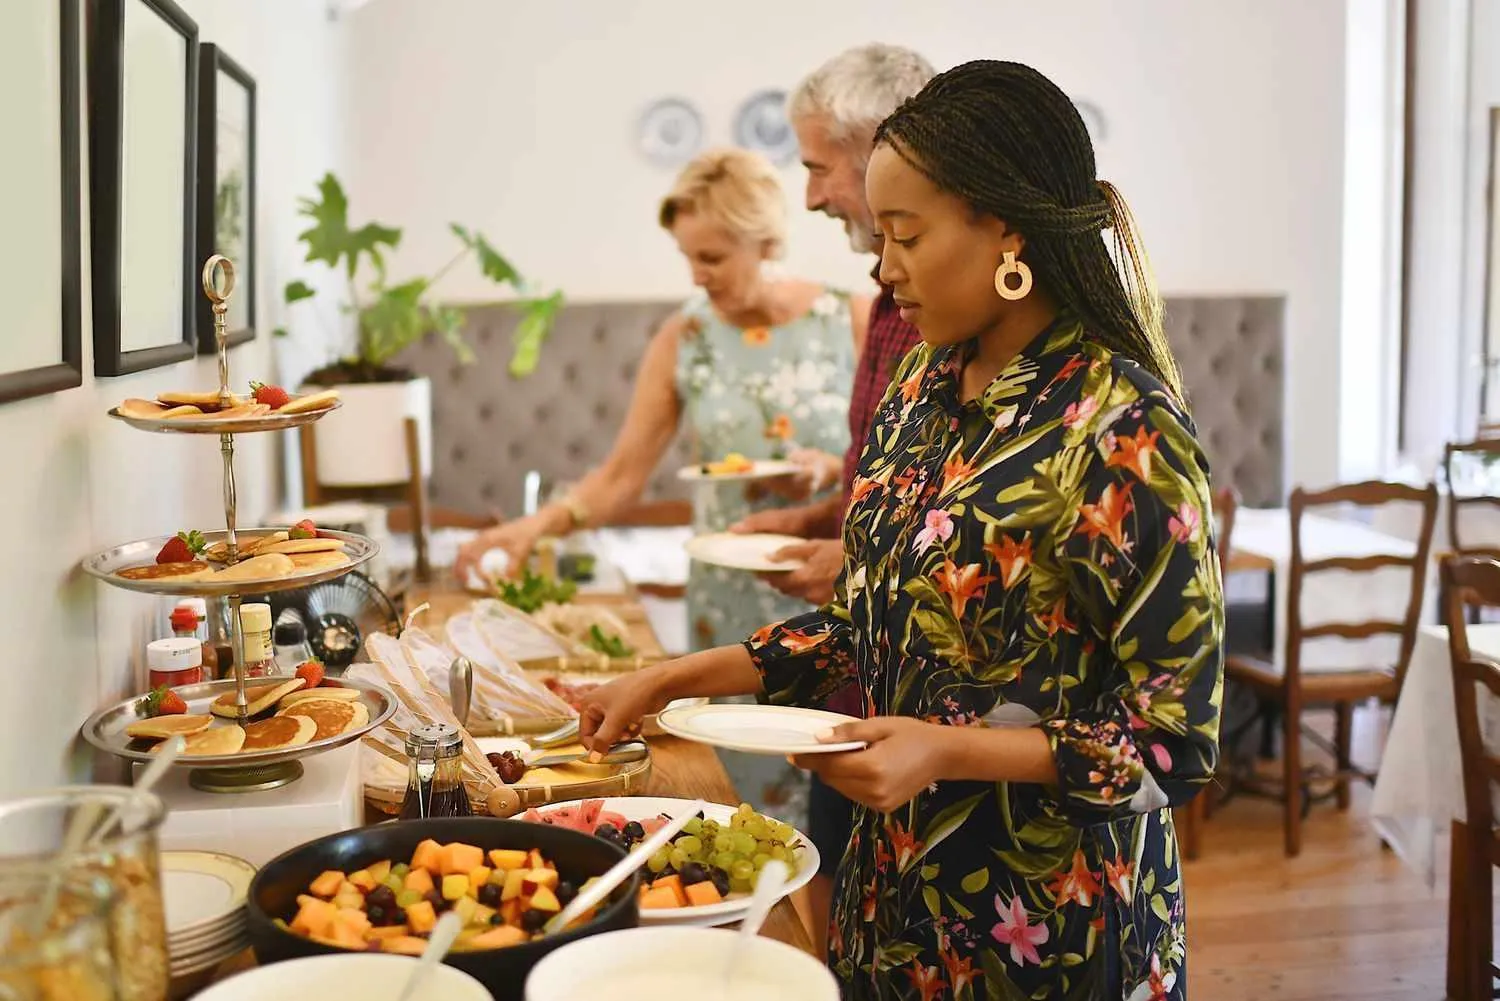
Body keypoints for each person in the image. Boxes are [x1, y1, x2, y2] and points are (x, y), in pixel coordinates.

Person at [576, 60, 1224, 1000]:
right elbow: (873, 619)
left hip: (1050, 927)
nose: (885, 267)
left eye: (907, 235)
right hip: (896, 900)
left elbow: (1175, 744)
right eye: (880, 235)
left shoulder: (1120, 428)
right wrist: (684, 675)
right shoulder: (923, 383)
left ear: (1005, 229)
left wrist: (948, 748)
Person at [454, 147, 866, 660]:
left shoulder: (853, 319)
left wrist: (831, 470)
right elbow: (622, 476)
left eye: (711, 258)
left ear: (766, 243)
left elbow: (900, 461)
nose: (696, 276)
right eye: (687, 257)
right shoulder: (685, 335)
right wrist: (527, 531)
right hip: (725, 595)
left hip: (834, 582)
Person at [730, 42, 934, 959]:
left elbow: (954, 527)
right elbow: (883, 480)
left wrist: (853, 557)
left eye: (816, 165)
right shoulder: (896, 293)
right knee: (844, 939)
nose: (808, 195)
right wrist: (818, 523)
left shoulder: (955, 313)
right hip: (852, 674)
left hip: (913, 717)